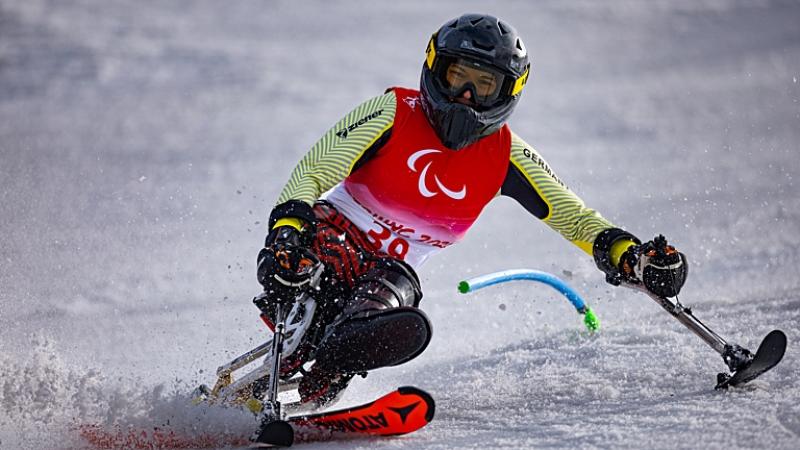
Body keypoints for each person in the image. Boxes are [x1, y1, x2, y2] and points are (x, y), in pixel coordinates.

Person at [256, 13, 688, 407]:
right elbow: (313, 171)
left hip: (384, 275)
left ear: (509, 92)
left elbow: (575, 218)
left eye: (483, 85)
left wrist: (630, 256)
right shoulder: (393, 113)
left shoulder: (506, 157)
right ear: (434, 68)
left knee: (400, 285)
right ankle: (313, 336)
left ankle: (333, 363)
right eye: (455, 76)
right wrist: (287, 234)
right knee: (333, 281)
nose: (464, 96)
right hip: (325, 243)